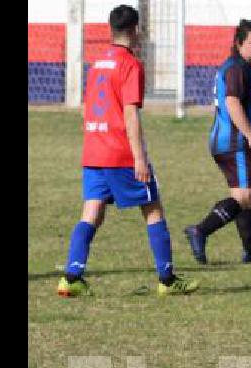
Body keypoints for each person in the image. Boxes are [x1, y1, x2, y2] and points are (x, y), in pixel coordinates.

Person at [57, 4, 198, 297]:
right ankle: (168, 280)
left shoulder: (97, 64)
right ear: (136, 30)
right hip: (120, 153)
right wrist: (139, 158)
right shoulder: (130, 64)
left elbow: (88, 109)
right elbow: (130, 114)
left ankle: (71, 276)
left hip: (94, 151)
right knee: (153, 209)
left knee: (91, 212)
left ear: (111, 29)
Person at [184, 19, 251, 264]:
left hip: (225, 140)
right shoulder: (237, 68)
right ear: (238, 43)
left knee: (245, 196)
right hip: (234, 141)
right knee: (243, 198)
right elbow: (233, 104)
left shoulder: (240, 67)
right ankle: (200, 230)